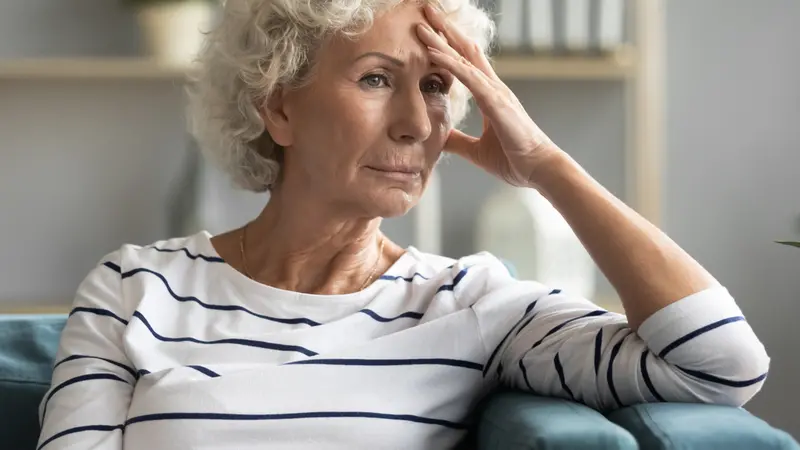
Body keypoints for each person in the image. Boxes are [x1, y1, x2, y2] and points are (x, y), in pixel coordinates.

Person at [37, 0, 770, 449]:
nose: (419, 123)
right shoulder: (135, 287)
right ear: (278, 106)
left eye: (438, 86)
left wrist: (545, 163)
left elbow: (720, 364)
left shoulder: (470, 304)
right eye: (377, 79)